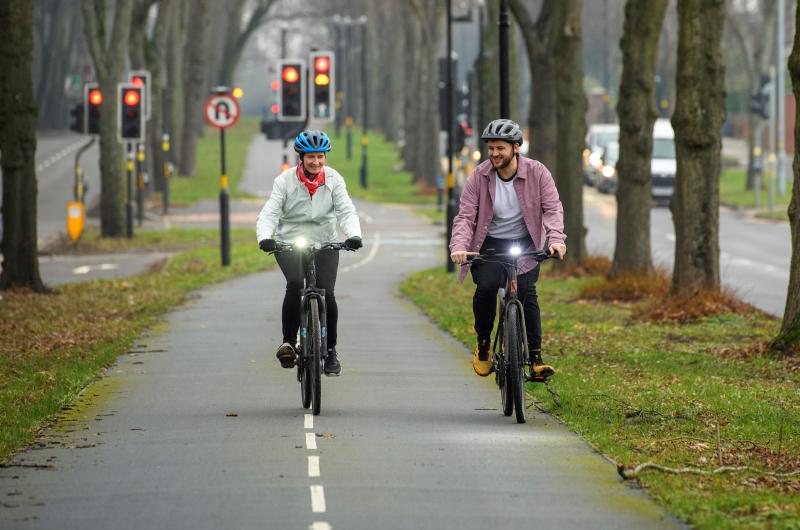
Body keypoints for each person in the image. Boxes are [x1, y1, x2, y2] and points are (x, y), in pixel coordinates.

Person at [449, 119, 567, 381]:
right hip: (489, 244)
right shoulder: (479, 177)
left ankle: (536, 358)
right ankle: (482, 344)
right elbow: (465, 217)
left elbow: (552, 209)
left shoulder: (538, 173)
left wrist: (556, 240)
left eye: (500, 148)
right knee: (487, 287)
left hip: (525, 243)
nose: (494, 154)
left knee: (526, 291)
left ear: (516, 147)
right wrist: (458, 246)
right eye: (490, 148)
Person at [256, 130, 363, 376]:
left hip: (325, 241)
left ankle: (331, 350)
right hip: (288, 242)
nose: (316, 162)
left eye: (320, 157)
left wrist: (354, 235)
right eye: (311, 157)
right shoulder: (284, 181)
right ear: (301, 158)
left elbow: (346, 210)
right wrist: (266, 238)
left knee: (328, 293)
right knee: (295, 284)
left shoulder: (334, 179)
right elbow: (270, 212)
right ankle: (288, 343)